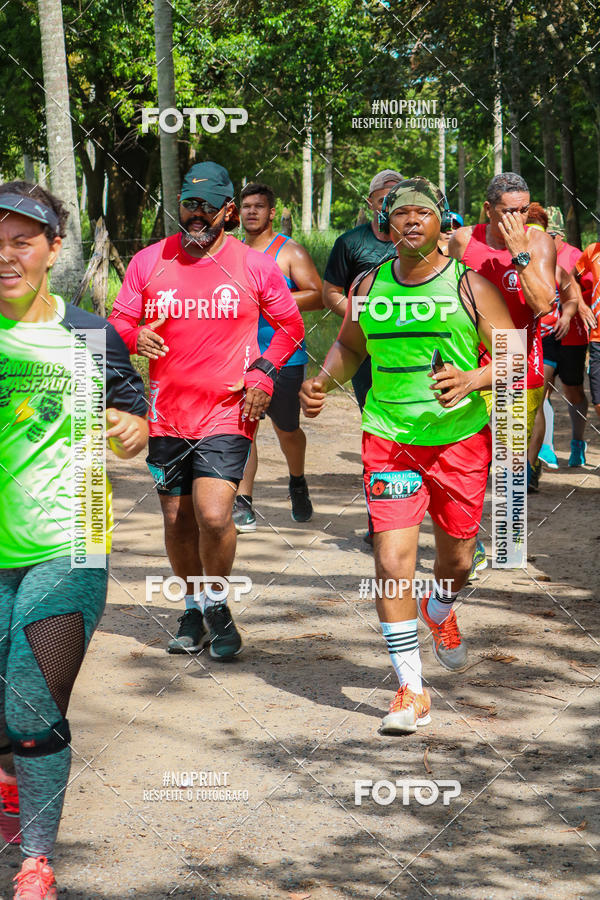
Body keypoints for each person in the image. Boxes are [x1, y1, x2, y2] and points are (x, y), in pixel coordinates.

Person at [300, 178, 521, 734]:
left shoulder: (469, 286)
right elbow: (352, 346)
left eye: (425, 213)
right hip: (389, 440)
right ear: (388, 226)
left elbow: (516, 359)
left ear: (442, 223)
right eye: (403, 214)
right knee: (392, 561)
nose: (414, 221)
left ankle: (441, 609)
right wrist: (322, 382)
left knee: (458, 561)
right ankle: (410, 689)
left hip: (458, 442)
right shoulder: (370, 284)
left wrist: (474, 377)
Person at [0, 181, 148, 898]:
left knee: (31, 702)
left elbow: (133, 415)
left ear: (53, 249)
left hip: (72, 538)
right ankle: (12, 773)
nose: (6, 255)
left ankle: (36, 860)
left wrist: (131, 430)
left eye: (22, 240)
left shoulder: (89, 333)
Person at [108, 162, 304, 658]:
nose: (196, 216)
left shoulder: (253, 265)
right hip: (166, 413)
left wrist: (263, 372)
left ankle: (217, 602)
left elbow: (290, 327)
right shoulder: (150, 261)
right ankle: (193, 609)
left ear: (229, 211)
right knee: (177, 521)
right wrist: (135, 335)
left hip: (227, 411)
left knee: (214, 516)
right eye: (189, 205)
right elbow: (118, 321)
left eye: (207, 207)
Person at [449, 172, 555, 552]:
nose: (518, 219)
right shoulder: (464, 240)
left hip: (519, 364)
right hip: (469, 365)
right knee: (468, 458)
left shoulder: (538, 241)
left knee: (509, 463)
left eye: (524, 210)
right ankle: (468, 545)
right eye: (509, 211)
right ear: (488, 209)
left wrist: (519, 254)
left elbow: (543, 305)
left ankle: (509, 544)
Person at [233, 181, 323, 531]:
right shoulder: (231, 253)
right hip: (240, 356)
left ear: (272, 213)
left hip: (284, 357)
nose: (251, 211)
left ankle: (297, 481)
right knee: (243, 429)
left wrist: (268, 300)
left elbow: (316, 296)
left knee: (287, 430)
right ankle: (244, 500)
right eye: (246, 206)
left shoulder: (289, 252)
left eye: (258, 206)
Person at [322, 168, 404, 410]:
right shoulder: (349, 243)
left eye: (395, 200)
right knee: (371, 409)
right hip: (365, 343)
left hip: (409, 341)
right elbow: (330, 294)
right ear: (370, 202)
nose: (388, 207)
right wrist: (369, 317)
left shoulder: (416, 241)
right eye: (382, 201)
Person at [527, 205, 589, 471]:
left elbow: (583, 291)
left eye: (551, 234)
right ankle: (544, 450)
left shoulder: (575, 256)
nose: (546, 239)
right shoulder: (530, 254)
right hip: (544, 337)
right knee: (542, 391)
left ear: (560, 234)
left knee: (574, 391)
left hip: (573, 337)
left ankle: (577, 443)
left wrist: (575, 311)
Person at [574, 236, 600, 429]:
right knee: (598, 401)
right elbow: (572, 278)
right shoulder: (592, 251)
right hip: (597, 339)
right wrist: (581, 305)